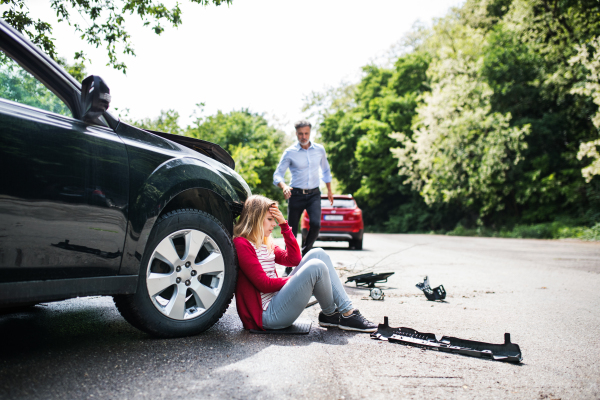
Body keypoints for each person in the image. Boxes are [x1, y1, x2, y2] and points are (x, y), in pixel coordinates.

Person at [233, 195, 377, 332]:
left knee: (318, 253)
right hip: (266, 316)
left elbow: (294, 259)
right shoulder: (242, 244)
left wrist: (285, 225)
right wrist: (298, 281)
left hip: (277, 302)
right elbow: (263, 284)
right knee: (315, 267)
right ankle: (343, 314)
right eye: (270, 219)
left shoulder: (265, 243)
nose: (274, 224)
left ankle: (333, 314)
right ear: (255, 219)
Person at [273, 120, 334, 274]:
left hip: (314, 194)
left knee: (316, 224)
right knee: (290, 231)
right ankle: (288, 265)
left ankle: (303, 255)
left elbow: (326, 171)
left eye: (306, 133)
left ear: (310, 132)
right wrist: (284, 186)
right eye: (300, 133)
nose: (303, 136)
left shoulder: (319, 150)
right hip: (296, 194)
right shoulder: (290, 152)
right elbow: (277, 175)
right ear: (296, 133)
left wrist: (329, 190)